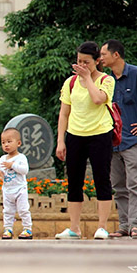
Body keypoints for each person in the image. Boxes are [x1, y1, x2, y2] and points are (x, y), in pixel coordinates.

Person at [55, 41, 115, 240]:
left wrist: (88, 77)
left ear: (97, 61)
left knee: (101, 180)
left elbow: (98, 99)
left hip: (100, 134)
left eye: (86, 62)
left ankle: (102, 226)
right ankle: (74, 228)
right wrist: (60, 141)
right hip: (75, 135)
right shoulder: (69, 83)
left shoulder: (106, 80)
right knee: (74, 182)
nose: (81, 65)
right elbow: (64, 114)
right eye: (79, 61)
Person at [100, 39, 137, 239]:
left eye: (103, 54)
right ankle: (124, 225)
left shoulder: (135, 74)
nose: (100, 58)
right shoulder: (106, 80)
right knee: (118, 186)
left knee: (135, 184)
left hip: (133, 141)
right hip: (112, 142)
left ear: (116, 55)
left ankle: (135, 224)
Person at [0, 128, 33, 240]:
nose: (6, 145)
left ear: (18, 143)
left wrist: (12, 165)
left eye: (9, 141)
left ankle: (27, 228)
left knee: (23, 209)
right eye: (3, 142)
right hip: (7, 190)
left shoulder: (21, 158)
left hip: (20, 189)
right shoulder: (2, 158)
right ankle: (8, 229)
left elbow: (25, 170)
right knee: (7, 211)